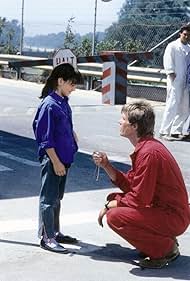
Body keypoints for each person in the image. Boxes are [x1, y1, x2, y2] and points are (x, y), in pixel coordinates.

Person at [93, 100, 190, 269]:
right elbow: (132, 185)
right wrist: (106, 165)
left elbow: (140, 197)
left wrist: (110, 206)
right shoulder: (147, 147)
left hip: (173, 217)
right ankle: (159, 241)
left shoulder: (148, 153)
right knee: (115, 202)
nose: (120, 122)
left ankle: (165, 249)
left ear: (135, 126)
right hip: (167, 212)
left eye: (123, 119)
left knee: (116, 216)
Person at [33, 63, 81, 253]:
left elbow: (65, 126)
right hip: (54, 159)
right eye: (71, 83)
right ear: (60, 81)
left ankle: (55, 231)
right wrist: (56, 161)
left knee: (57, 198)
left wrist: (73, 136)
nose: (73, 88)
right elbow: (44, 140)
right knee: (48, 198)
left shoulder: (62, 101)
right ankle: (47, 237)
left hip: (63, 159)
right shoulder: (49, 105)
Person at [159, 23, 190, 141]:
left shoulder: (189, 48)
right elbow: (168, 60)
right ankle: (164, 131)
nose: (186, 37)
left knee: (185, 107)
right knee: (172, 105)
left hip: (186, 81)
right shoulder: (172, 46)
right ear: (180, 34)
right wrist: (171, 73)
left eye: (189, 35)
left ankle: (176, 130)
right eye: (185, 34)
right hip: (175, 80)